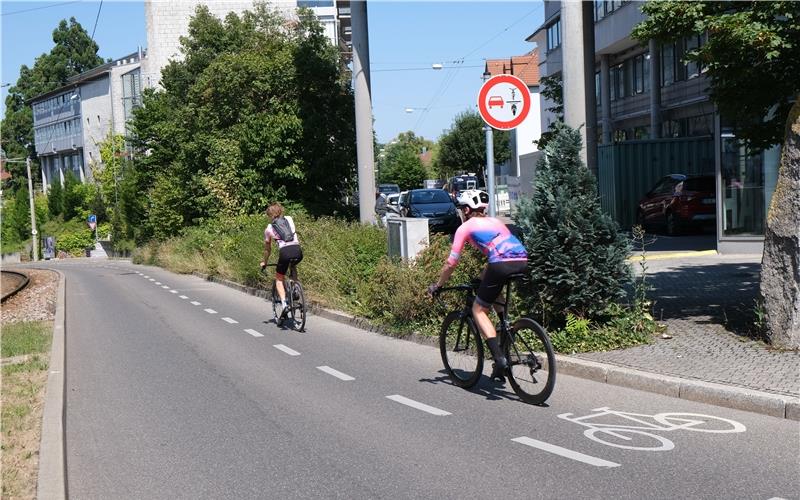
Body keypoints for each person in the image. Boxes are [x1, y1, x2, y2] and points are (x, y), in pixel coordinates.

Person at [427, 189, 528, 382]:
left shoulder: (465, 227)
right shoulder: (496, 222)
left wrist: (438, 285)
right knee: (489, 283)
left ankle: (499, 359)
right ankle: (504, 326)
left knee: (478, 310)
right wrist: (481, 277)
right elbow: (501, 252)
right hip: (522, 260)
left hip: (500, 264)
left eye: (460, 210)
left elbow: (451, 263)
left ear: (466, 210)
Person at [260, 202, 303, 320]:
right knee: (293, 265)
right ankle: (295, 287)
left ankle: (284, 304)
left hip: (285, 252)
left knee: (279, 278)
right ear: (281, 211)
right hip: (297, 251)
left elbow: (267, 249)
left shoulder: (269, 229)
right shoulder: (289, 219)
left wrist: (264, 261)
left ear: (269, 215)